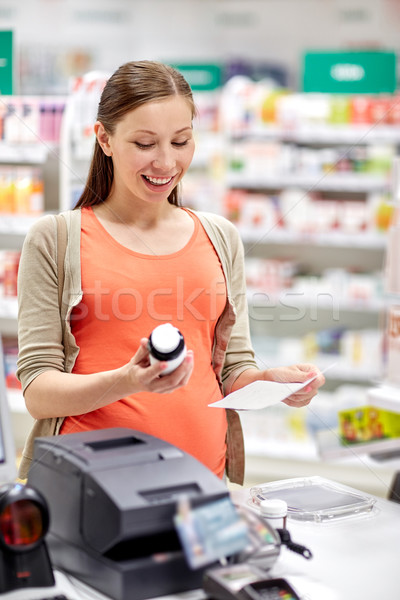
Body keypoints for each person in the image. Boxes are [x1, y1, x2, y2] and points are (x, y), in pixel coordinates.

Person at [16, 60, 325, 483]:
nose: (166, 162)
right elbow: (37, 392)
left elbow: (232, 369)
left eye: (181, 141)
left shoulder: (220, 236)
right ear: (104, 138)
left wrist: (273, 382)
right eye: (145, 143)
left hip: (206, 490)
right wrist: (128, 380)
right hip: (90, 493)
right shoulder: (56, 239)